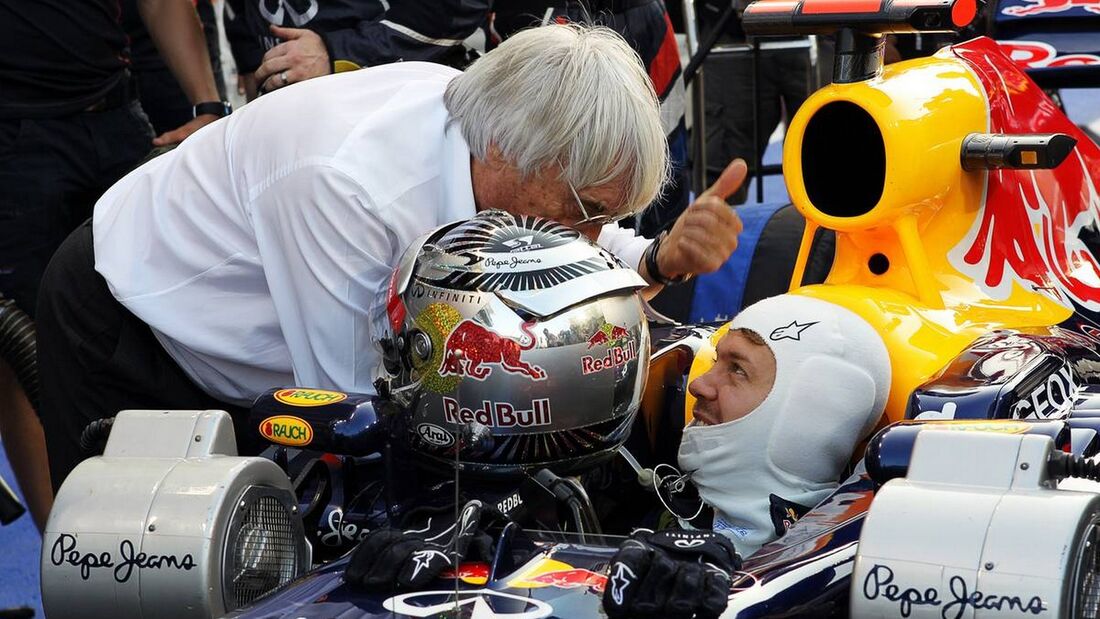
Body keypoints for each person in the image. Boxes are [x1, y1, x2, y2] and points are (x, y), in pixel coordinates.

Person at [36, 23, 745, 491]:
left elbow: (559, 239)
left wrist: (653, 256)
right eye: (589, 212)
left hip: (261, 339)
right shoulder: (346, 184)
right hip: (129, 323)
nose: (589, 239)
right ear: (511, 154)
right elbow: (352, 417)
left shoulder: (505, 141)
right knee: (160, 572)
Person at [0, 0, 226, 532]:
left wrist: (209, 104)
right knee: (25, 346)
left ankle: (190, 526)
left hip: (118, 116)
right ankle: (69, 550)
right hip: (15, 140)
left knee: (171, 324)